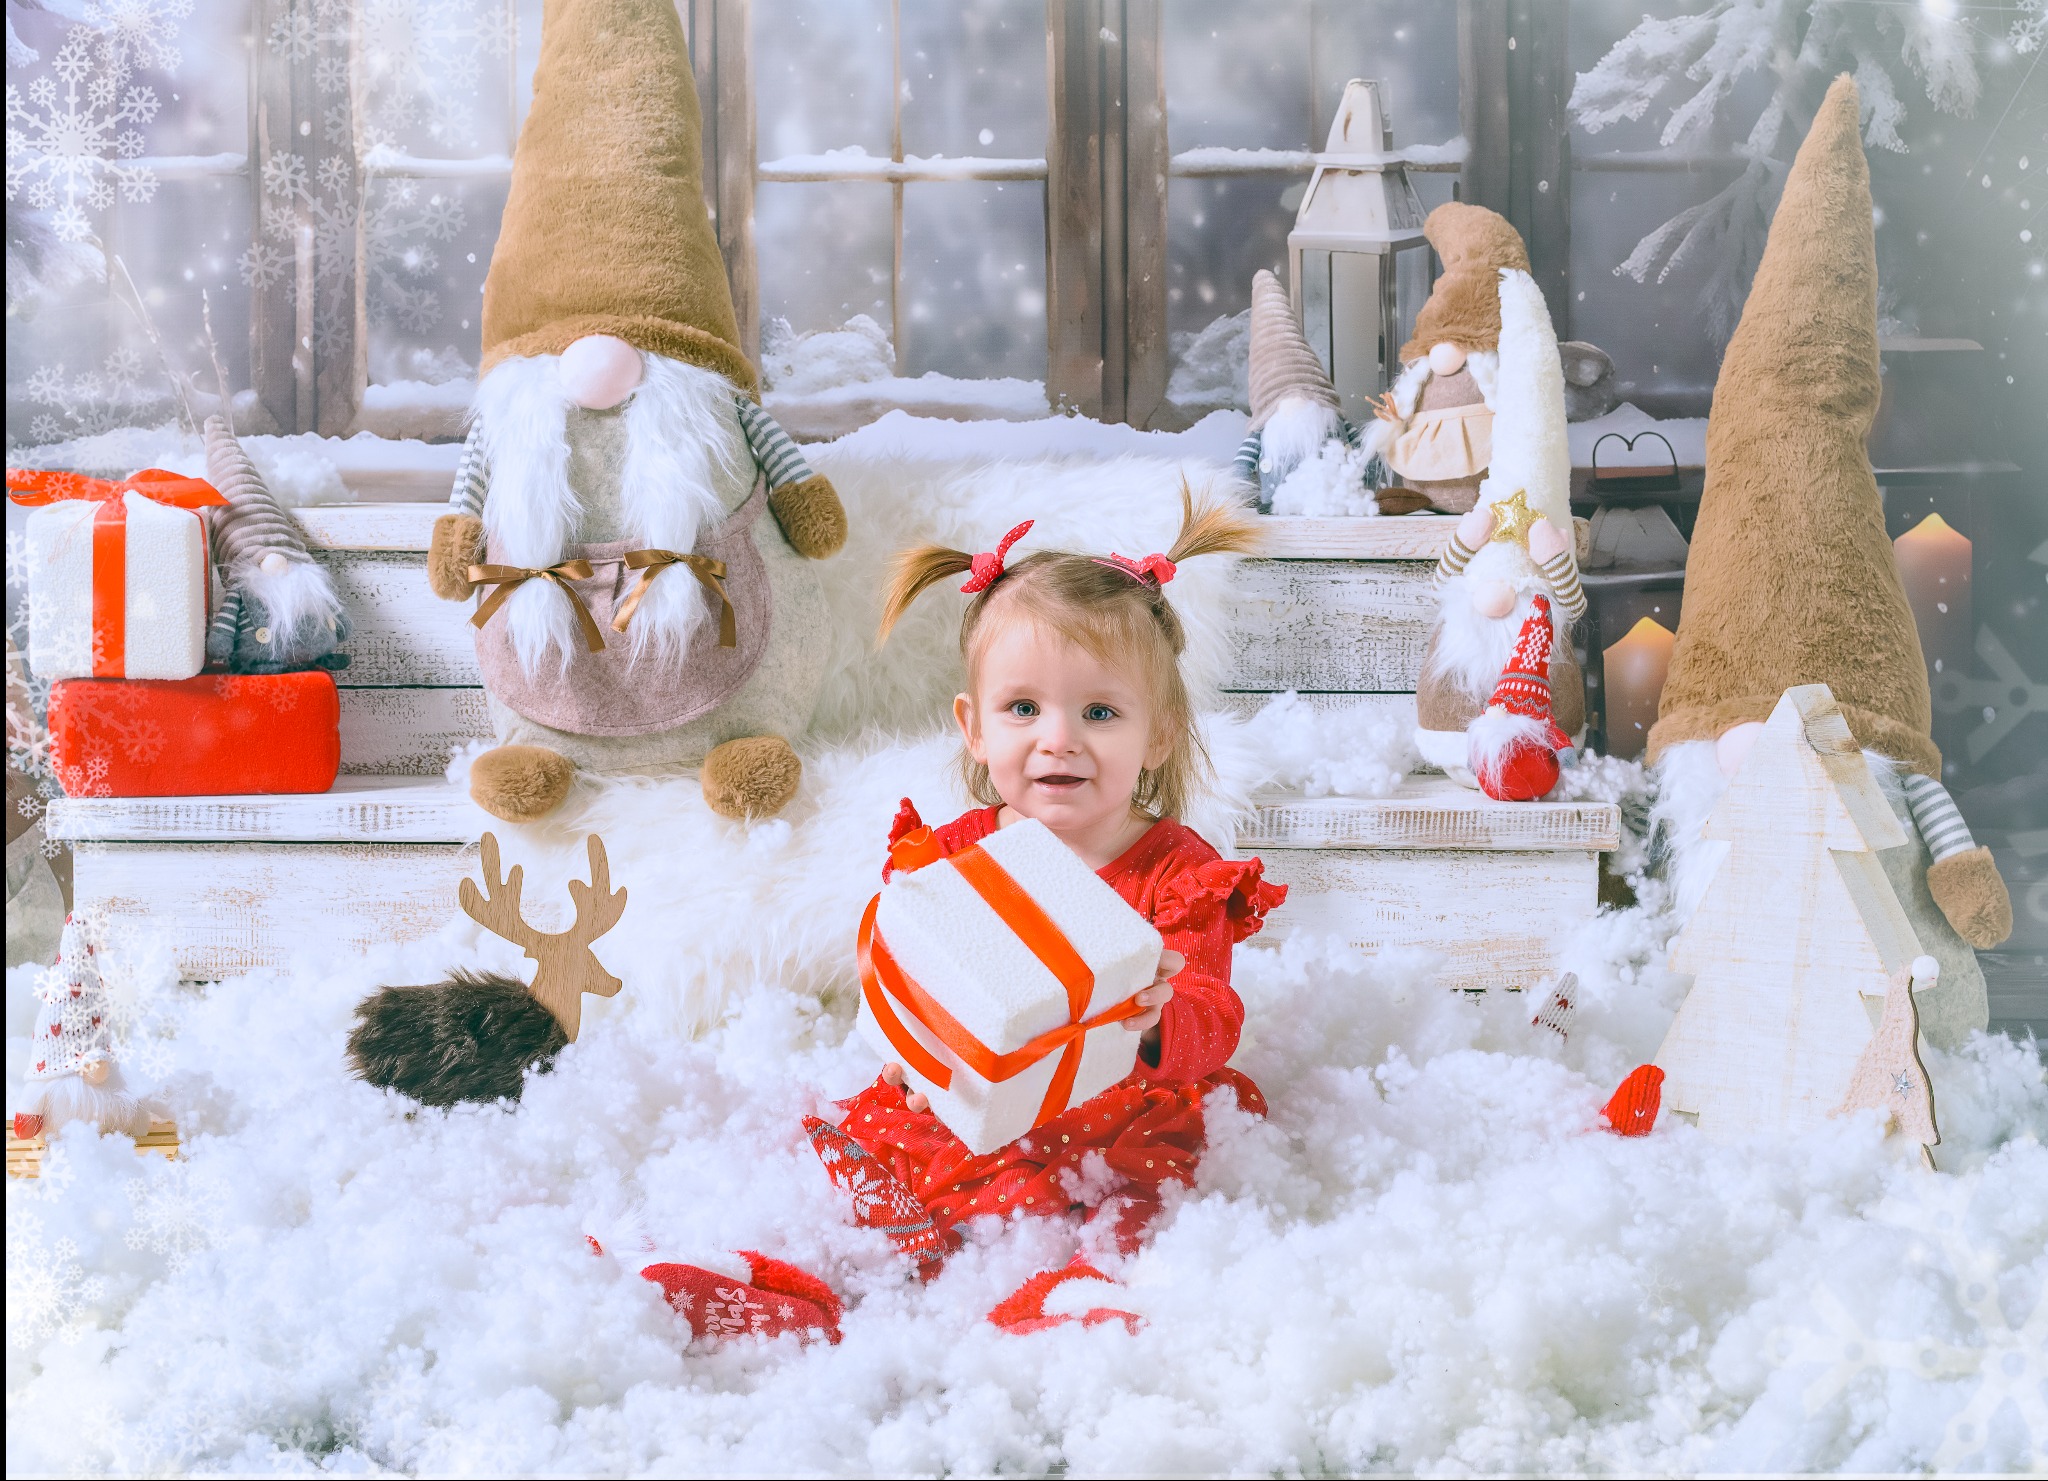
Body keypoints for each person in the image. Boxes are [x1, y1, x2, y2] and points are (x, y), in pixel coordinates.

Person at [640, 490, 1287, 1341]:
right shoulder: (956, 854)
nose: (1058, 738)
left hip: (1112, 1114)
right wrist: (915, 1047)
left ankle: (1070, 1285)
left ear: (1159, 735)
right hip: (966, 1094)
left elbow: (1215, 1011)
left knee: (1126, 1199)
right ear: (973, 728)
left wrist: (1165, 1019)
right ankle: (782, 1275)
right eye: (1024, 709)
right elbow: (903, 960)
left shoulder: (1177, 874)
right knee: (857, 1160)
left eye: (1100, 712)